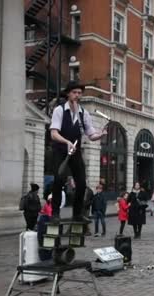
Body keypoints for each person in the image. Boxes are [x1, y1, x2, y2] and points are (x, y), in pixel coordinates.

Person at [49, 81, 107, 224]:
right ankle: (55, 214)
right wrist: (67, 142)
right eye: (74, 92)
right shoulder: (60, 110)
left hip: (75, 152)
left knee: (81, 183)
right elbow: (54, 133)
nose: (77, 95)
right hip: (60, 151)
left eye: (79, 93)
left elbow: (91, 135)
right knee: (58, 181)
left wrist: (100, 134)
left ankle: (77, 214)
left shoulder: (83, 113)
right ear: (68, 94)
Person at [37, 194, 54, 261]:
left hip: (46, 223)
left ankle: (47, 257)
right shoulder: (48, 205)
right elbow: (49, 214)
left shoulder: (50, 205)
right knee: (44, 243)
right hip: (46, 223)